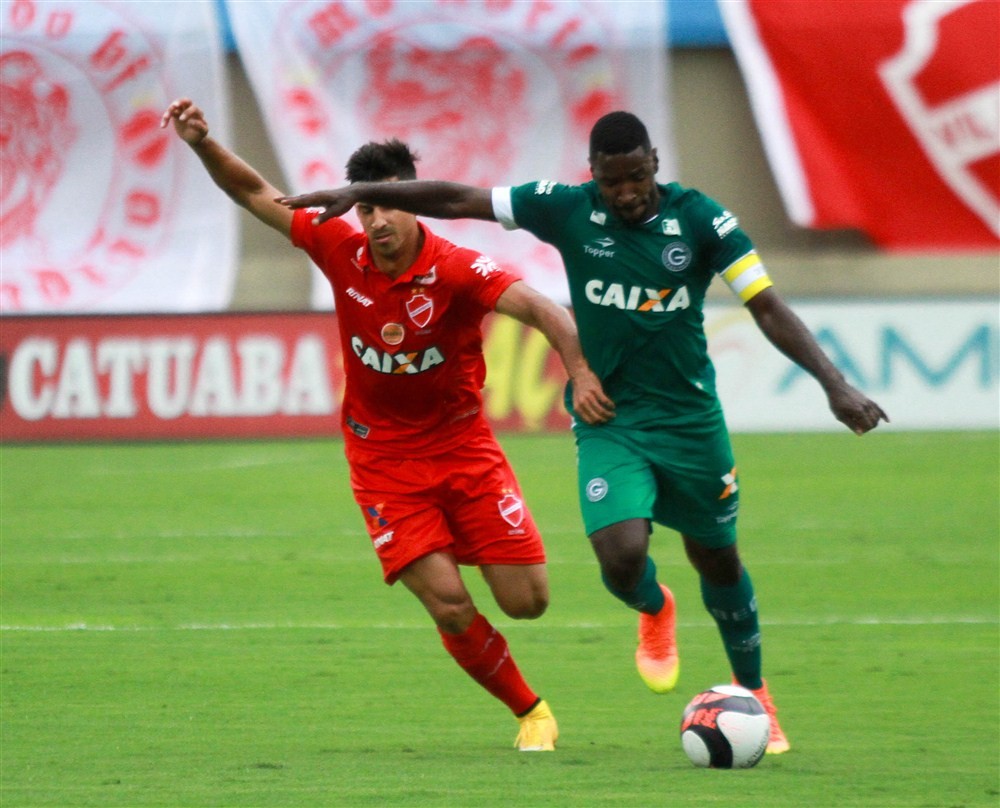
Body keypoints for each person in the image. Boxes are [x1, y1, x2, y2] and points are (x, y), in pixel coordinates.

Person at [278, 110, 890, 755]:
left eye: (637, 177)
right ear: (591, 174)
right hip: (610, 418)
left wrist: (834, 384)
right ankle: (653, 607)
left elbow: (765, 305)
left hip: (690, 421)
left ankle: (756, 692)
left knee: (717, 557)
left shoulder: (703, 221)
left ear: (654, 163)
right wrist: (363, 193)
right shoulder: (566, 208)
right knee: (620, 559)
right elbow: (458, 198)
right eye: (611, 181)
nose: (625, 192)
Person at [160, 98, 616, 752]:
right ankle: (531, 712)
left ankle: (469, 549)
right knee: (449, 603)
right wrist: (202, 142)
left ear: (415, 203)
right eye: (367, 208)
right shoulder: (337, 246)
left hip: (464, 451)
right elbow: (254, 192)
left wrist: (581, 372)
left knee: (528, 602)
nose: (377, 221)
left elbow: (545, 309)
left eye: (389, 205)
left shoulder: (457, 269)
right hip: (384, 465)